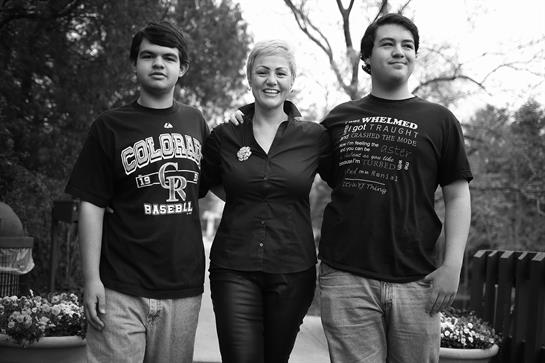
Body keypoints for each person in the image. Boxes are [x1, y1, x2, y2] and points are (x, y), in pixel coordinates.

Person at [317, 13, 473, 362]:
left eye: (408, 46)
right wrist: (247, 117)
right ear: (367, 58)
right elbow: (293, 161)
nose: (400, 51)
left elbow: (458, 195)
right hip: (345, 277)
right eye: (388, 44)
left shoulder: (440, 120)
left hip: (418, 280)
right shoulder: (338, 118)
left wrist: (453, 265)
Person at [65, 21, 209, 363]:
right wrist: (91, 280)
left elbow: (225, 182)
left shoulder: (197, 122)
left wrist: (243, 125)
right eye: (148, 55)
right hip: (119, 286)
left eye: (168, 57)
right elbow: (91, 205)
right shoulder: (109, 126)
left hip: (182, 286)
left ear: (182, 68)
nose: (158, 63)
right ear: (135, 64)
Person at [201, 39, 331, 363]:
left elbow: (346, 184)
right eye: (262, 72)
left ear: (291, 81)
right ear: (250, 78)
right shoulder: (225, 136)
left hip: (293, 271)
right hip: (233, 268)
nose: (271, 80)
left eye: (280, 73)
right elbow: (203, 183)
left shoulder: (314, 137)